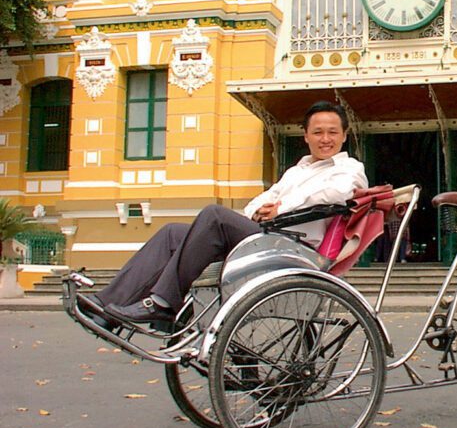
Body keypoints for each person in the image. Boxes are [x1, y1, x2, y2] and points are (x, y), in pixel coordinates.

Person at [85, 101, 367, 327]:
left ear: (344, 135)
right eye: (318, 132)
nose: (325, 138)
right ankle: (105, 306)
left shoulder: (350, 168)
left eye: (332, 132)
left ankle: (163, 302)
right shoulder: (298, 170)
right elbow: (259, 201)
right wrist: (260, 210)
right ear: (305, 136)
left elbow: (336, 194)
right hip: (268, 240)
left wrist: (283, 207)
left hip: (296, 249)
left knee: (215, 216)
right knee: (173, 232)